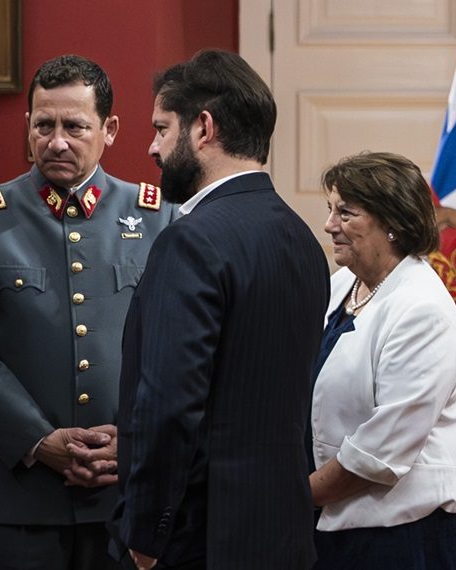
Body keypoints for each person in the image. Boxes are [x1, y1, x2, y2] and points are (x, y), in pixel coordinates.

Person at [0, 54, 178, 569]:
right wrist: (39, 440)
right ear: (27, 126)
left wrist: (129, 438)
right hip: (15, 497)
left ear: (109, 129)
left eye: (75, 126)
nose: (57, 141)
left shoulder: (158, 217)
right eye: (43, 125)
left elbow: (174, 350)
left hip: (124, 493)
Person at [105, 49, 329, 569]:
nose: (152, 147)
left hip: (200, 542)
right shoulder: (303, 241)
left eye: (163, 128)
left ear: (203, 128)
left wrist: (145, 532)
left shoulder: (190, 241)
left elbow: (168, 405)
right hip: (284, 535)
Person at [309, 151, 456, 568]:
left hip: (404, 536)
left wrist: (291, 498)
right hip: (339, 525)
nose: (330, 225)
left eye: (346, 213)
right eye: (331, 210)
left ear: (394, 225)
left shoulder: (423, 308)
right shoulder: (344, 284)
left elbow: (379, 452)